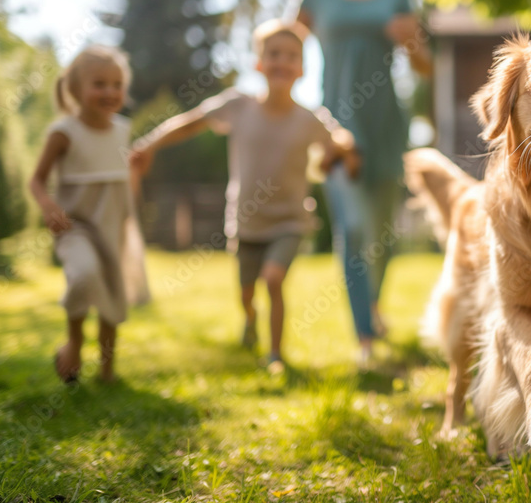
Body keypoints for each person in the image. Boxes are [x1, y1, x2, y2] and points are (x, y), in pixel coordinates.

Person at [129, 20, 358, 373]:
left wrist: (341, 149)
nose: (282, 61)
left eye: (291, 56)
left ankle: (276, 355)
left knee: (274, 278)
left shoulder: (310, 118)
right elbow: (192, 121)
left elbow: (340, 140)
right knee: (247, 292)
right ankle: (250, 321)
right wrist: (150, 144)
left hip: (290, 221)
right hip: (247, 221)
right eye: (273, 54)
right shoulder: (238, 105)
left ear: (302, 68)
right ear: (259, 64)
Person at [297, 0, 432, 363]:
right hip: (336, 128)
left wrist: (410, 43)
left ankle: (373, 306)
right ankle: (364, 338)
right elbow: (284, 43)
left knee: (381, 233)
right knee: (354, 229)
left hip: (388, 124)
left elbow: (425, 66)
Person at [30, 45, 150, 384]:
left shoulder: (123, 131)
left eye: (117, 84)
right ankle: (74, 343)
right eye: (99, 84)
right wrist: (49, 207)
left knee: (113, 299)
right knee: (83, 276)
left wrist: (138, 172)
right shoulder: (64, 132)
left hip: (113, 226)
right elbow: (36, 180)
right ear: (75, 89)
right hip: (75, 226)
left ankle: (107, 371)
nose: (110, 92)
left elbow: (125, 188)